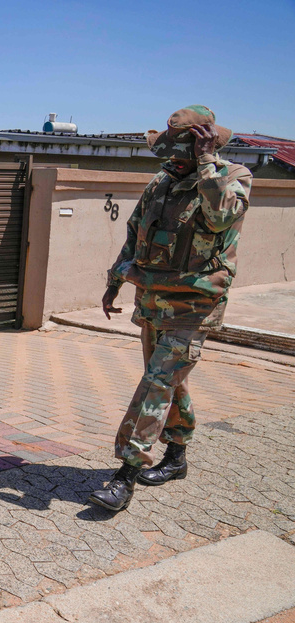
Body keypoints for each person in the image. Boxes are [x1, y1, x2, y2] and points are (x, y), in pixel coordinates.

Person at [90, 106, 253, 512]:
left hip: (195, 304)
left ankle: (125, 475)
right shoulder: (162, 180)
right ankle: (177, 457)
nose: (173, 157)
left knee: (157, 383)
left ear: (205, 145)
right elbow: (135, 233)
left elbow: (220, 218)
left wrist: (206, 163)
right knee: (169, 381)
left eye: (184, 150)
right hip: (154, 300)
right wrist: (114, 283)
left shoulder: (232, 177)